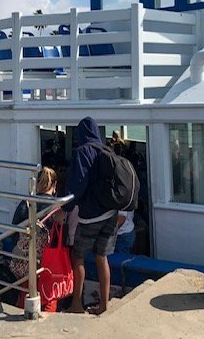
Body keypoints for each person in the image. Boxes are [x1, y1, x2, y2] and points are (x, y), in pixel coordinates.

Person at [62, 116, 118, 315]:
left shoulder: (82, 152)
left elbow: (77, 185)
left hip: (91, 216)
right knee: (101, 257)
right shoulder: (106, 151)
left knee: (78, 258)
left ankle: (76, 305)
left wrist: (65, 210)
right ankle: (103, 306)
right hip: (111, 214)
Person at [11, 166, 59, 312]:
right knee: (50, 294)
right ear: (55, 185)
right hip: (49, 260)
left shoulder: (26, 203)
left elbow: (15, 230)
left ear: (36, 183)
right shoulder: (58, 206)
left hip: (26, 260)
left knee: (25, 292)